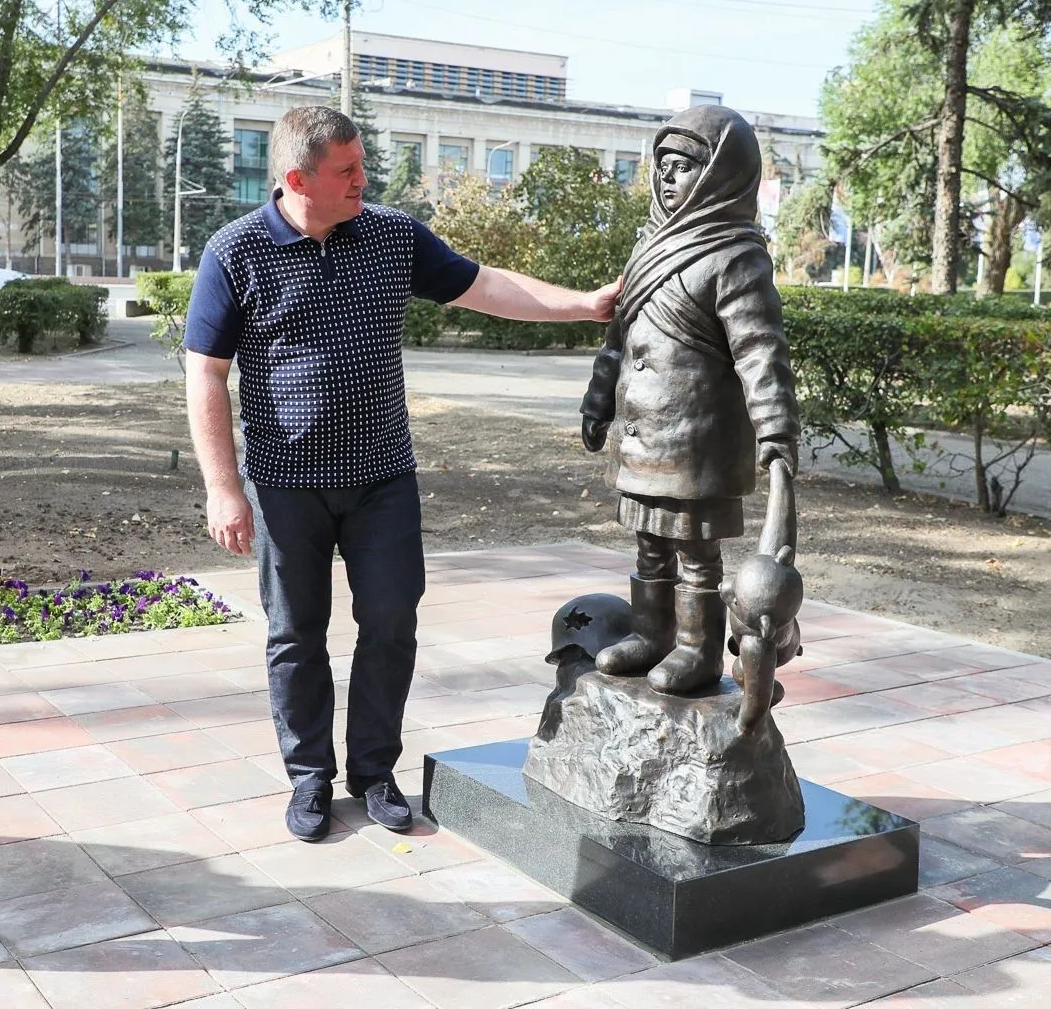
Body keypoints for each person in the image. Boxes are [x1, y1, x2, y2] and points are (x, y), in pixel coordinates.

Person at [185, 106, 618, 842]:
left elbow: (486, 286)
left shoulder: (389, 235)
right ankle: (310, 778)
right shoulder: (236, 253)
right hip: (286, 482)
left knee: (391, 624)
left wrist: (583, 306)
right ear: (298, 178)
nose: (365, 180)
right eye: (348, 171)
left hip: (383, 475)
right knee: (296, 633)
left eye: (362, 167)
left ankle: (374, 772)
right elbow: (205, 372)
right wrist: (224, 487)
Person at [579, 104, 800, 695]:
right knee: (649, 545)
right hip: (644, 435)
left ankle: (697, 650)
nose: (667, 177)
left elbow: (761, 352)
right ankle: (651, 634)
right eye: (663, 166)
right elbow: (618, 337)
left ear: (720, 174)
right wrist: (598, 399)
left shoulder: (737, 256)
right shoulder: (648, 245)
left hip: (698, 441)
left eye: (683, 167)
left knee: (697, 554)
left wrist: (777, 433)